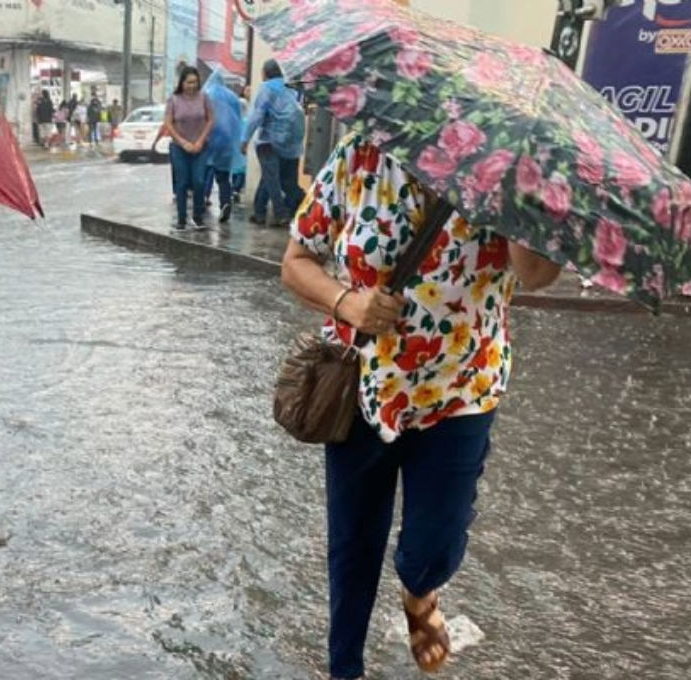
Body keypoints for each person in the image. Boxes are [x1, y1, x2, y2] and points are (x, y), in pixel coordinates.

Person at [281, 134, 563, 680]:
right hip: (363, 384)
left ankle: (419, 590)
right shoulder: (359, 157)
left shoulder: (507, 172)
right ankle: (345, 668)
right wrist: (347, 301)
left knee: (434, 541)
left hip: (462, 392)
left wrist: (526, 196)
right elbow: (295, 261)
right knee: (352, 540)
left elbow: (536, 275)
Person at [241, 59, 305, 228]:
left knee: (273, 179)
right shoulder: (292, 87)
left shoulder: (267, 88)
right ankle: (259, 213)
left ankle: (281, 213)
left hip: (269, 141)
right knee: (276, 177)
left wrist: (244, 139)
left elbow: (257, 115)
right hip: (292, 142)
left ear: (265, 72)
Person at [164, 66, 213, 230]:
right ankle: (181, 218)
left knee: (199, 181)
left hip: (200, 147)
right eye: (189, 82)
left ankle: (198, 216)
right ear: (182, 83)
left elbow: (210, 120)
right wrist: (182, 142)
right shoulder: (174, 99)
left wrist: (200, 141)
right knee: (182, 182)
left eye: (195, 82)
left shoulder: (204, 98)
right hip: (179, 147)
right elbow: (168, 123)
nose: (192, 85)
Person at [203, 71, 243, 223]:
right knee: (223, 175)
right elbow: (238, 120)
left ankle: (203, 199)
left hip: (208, 138)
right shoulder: (232, 97)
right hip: (227, 141)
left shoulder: (206, 94)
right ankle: (225, 202)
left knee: (205, 171)